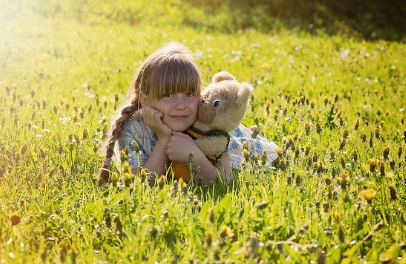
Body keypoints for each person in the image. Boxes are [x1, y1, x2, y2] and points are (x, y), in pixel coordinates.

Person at [98, 41, 279, 186]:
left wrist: (194, 157)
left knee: (257, 151)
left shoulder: (209, 124)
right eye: (168, 95)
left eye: (189, 94)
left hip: (238, 149)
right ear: (145, 99)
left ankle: (253, 135)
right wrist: (163, 139)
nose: (181, 105)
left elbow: (225, 182)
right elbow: (140, 184)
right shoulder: (133, 129)